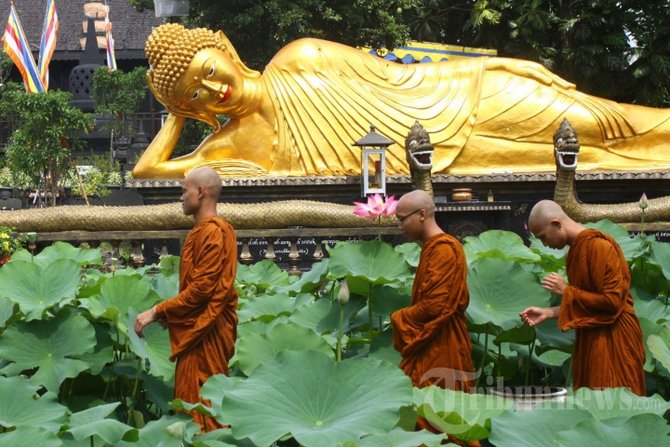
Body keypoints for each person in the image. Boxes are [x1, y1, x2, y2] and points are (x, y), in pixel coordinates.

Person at [134, 23, 670, 180]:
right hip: (428, 164)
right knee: (594, 159)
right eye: (194, 96)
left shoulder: (301, 55)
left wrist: (492, 66)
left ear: (225, 49)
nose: (211, 90)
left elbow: (399, 76)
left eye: (207, 71)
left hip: (462, 101)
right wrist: (177, 118)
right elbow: (148, 171)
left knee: (610, 123)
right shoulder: (229, 143)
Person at [134, 166, 239, 431]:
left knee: (205, 408)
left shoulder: (214, 232)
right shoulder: (206, 231)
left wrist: (156, 311)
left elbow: (202, 291)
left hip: (208, 333)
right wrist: (176, 315)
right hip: (201, 328)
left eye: (184, 191)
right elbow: (200, 294)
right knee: (195, 403)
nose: (181, 197)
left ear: (201, 192)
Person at [520, 200, 645, 395]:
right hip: (591, 336)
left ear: (556, 223)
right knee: (591, 401)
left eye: (543, 237)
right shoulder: (573, 254)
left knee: (615, 403)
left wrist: (566, 291)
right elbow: (589, 305)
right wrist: (549, 312)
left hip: (614, 337)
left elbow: (611, 302)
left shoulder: (600, 246)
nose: (544, 244)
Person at [391, 190, 477, 445]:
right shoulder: (432, 248)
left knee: (439, 416)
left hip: (442, 345)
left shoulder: (444, 250)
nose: (399, 226)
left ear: (422, 215)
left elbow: (435, 306)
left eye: (402, 218)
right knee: (422, 414)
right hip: (432, 343)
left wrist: (399, 317)